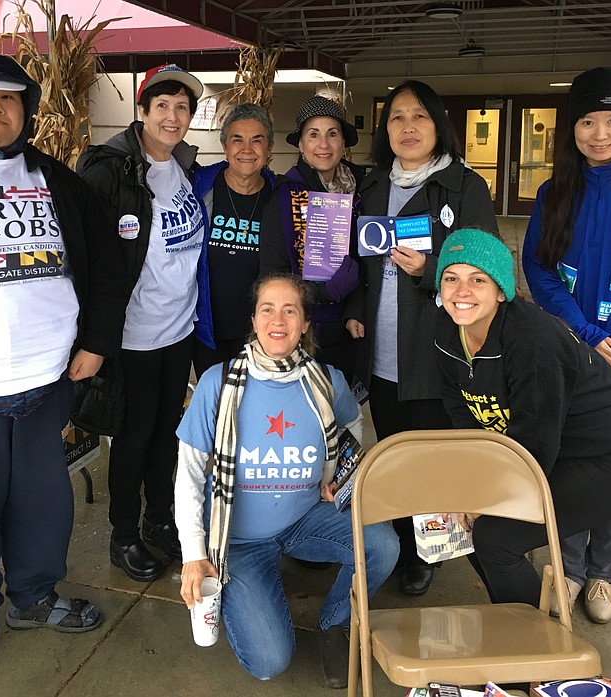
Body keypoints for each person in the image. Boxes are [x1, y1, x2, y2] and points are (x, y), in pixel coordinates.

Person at [0, 51, 126, 682]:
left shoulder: (59, 182)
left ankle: (34, 598)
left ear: (25, 110)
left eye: (6, 99)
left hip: (47, 381)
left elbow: (109, 269)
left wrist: (96, 342)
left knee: (41, 504)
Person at [175, 273, 399, 689]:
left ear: (305, 323)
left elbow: (352, 424)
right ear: (254, 320)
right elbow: (188, 474)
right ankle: (242, 589)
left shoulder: (327, 380)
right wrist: (192, 554)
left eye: (290, 310)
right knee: (269, 662)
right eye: (268, 309)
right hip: (237, 539)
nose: (278, 320)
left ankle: (336, 621)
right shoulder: (217, 384)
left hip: (304, 518)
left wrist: (338, 477)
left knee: (383, 545)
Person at [344, 80, 498, 597]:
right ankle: (404, 543)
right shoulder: (370, 187)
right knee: (392, 452)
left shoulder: (463, 187)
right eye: (396, 118)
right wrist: (354, 310)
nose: (407, 127)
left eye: (419, 117)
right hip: (382, 351)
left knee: (433, 458)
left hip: (434, 352)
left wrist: (430, 270)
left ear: (438, 125)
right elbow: (353, 264)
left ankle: (424, 553)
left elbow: (485, 271)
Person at [434, 227, 611, 607]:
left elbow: (535, 442)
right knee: (471, 530)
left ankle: (543, 654)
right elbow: (459, 408)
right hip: (553, 448)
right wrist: (466, 481)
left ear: (500, 290)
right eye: (451, 278)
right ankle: (512, 622)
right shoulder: (447, 330)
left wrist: (481, 497)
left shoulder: (532, 336)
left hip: (610, 456)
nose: (462, 291)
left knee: (495, 538)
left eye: (478, 279)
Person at [77, 64, 206, 582]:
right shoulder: (110, 170)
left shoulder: (183, 166)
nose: (172, 117)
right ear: (142, 110)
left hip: (178, 332)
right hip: (132, 336)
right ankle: (123, 535)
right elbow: (84, 254)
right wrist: (95, 335)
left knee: (165, 435)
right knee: (132, 438)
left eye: (182, 108)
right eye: (163, 106)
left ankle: (159, 522)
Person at [522, 67, 611, 623]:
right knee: (565, 458)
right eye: (587, 121)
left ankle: (603, 576)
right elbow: (539, 272)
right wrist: (584, 335)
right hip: (571, 348)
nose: (599, 133)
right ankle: (565, 567)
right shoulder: (553, 192)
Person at [260, 95, 362, 382]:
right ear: (301, 145)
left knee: (345, 416)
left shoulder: (363, 189)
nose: (324, 144)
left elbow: (371, 258)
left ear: (343, 142)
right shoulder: (283, 197)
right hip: (304, 331)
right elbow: (272, 275)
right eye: (313, 135)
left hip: (352, 328)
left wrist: (356, 308)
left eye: (332, 134)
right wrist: (325, 293)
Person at [192, 103, 275, 377]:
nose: (247, 149)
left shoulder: (282, 196)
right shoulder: (197, 187)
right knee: (216, 410)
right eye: (237, 139)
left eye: (257, 140)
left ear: (269, 149)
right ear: (225, 146)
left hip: (260, 335)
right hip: (206, 333)